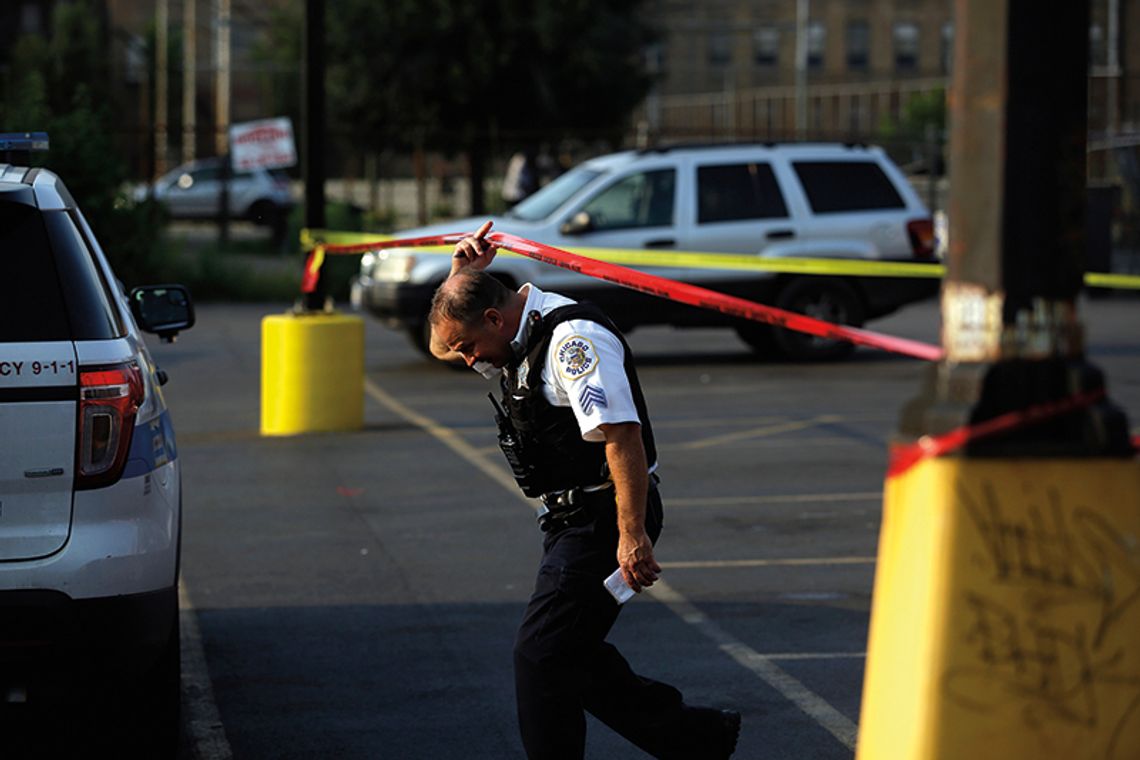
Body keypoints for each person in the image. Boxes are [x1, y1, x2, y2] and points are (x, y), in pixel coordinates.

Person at [428, 221, 741, 759]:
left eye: (470, 347)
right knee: (570, 652)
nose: (467, 361)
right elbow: (439, 344)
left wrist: (632, 535)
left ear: (495, 319)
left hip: (605, 516)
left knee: (540, 654)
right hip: (569, 519)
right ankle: (697, 738)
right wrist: (460, 276)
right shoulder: (507, 332)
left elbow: (622, 437)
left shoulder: (572, 343)